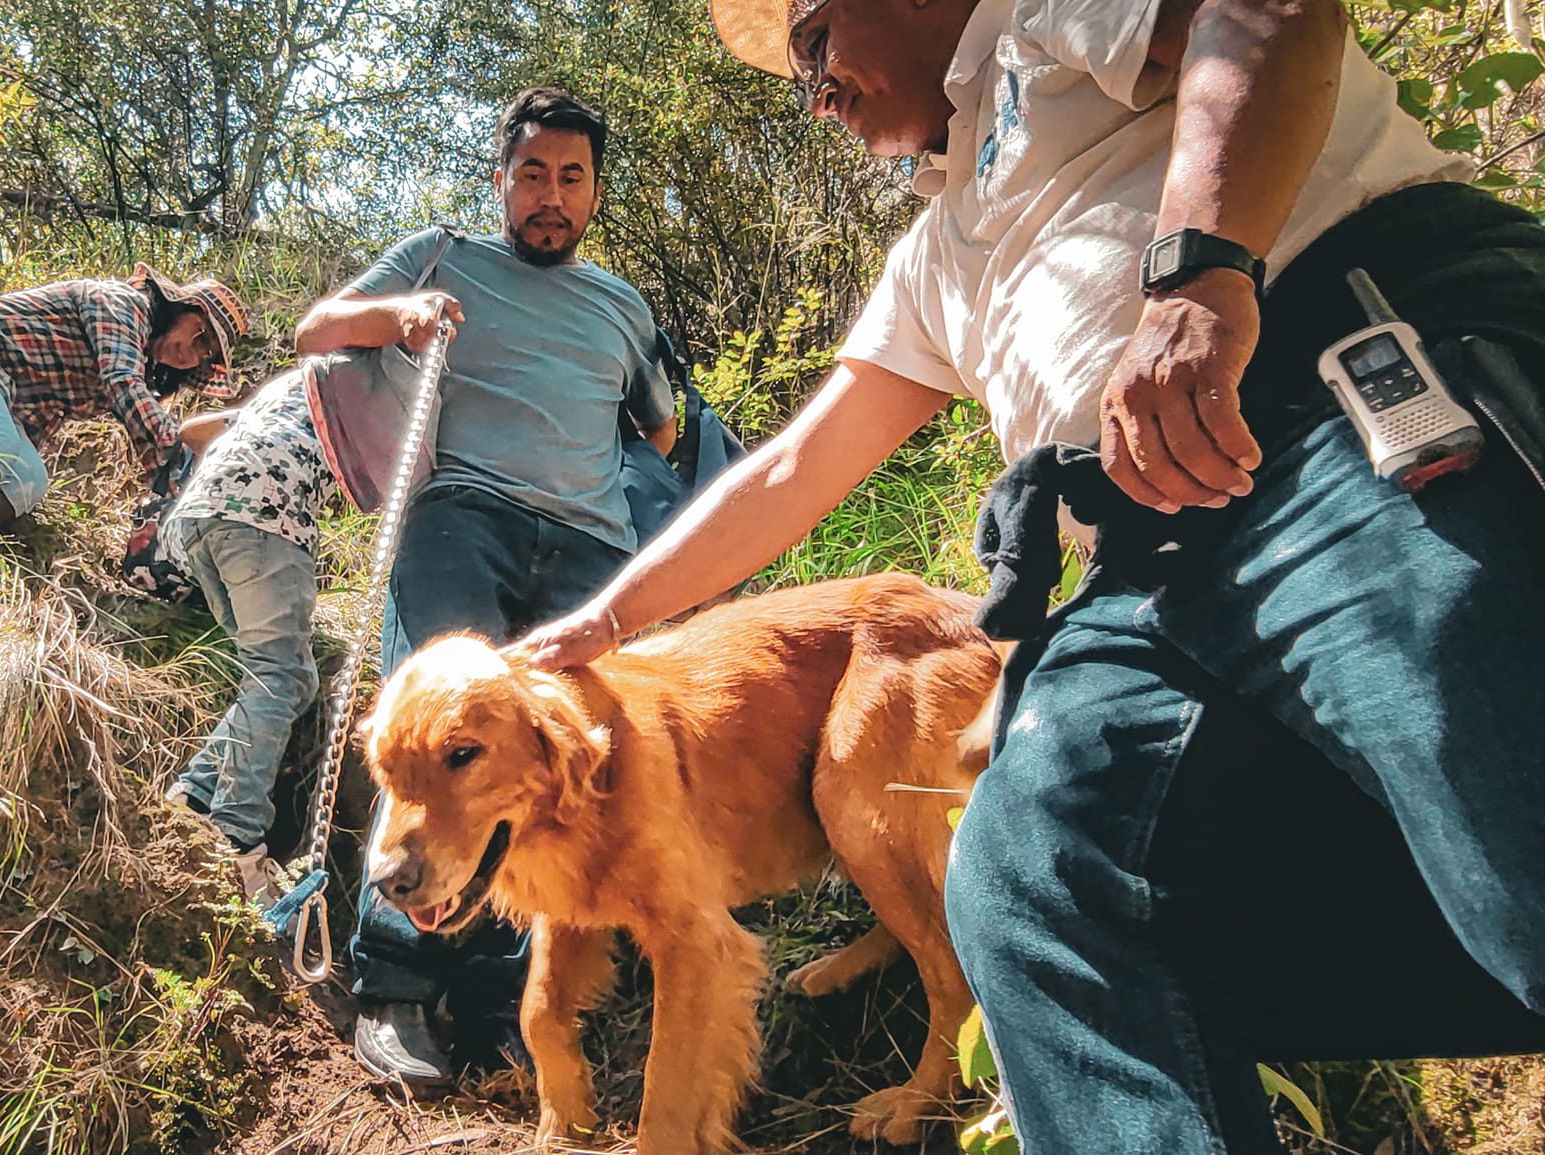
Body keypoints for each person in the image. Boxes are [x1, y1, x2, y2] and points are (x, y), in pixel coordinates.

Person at [521, 0, 1545, 1151]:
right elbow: (794, 468)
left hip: (1339, 396)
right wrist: (605, 618)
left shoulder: (1034, 21)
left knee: (1489, 779)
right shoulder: (934, 250)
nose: (811, 92)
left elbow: (1265, 15)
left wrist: (1199, 274)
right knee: (1033, 881)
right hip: (1149, 560)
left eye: (811, 46)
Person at [292, 87, 677, 1087]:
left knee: (548, 774)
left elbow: (662, 429)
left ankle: (512, 1010)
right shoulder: (443, 255)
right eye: (533, 173)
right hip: (461, 515)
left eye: (572, 176)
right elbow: (316, 330)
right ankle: (396, 990)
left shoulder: (623, 307)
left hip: (593, 548)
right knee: (429, 740)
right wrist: (400, 314)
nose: (552, 195)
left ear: (594, 191)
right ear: (500, 179)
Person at [0, 267, 249, 530]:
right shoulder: (124, 304)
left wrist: (176, 490)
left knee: (26, 480)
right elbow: (121, 381)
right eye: (200, 336)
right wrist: (178, 453)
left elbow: (44, 419)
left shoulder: (131, 365)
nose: (194, 354)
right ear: (179, 308)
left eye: (207, 356)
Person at [159, 369, 329, 905]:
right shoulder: (380, 379)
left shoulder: (292, 388)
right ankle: (238, 835)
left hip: (200, 520)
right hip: (265, 519)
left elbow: (192, 430)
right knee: (278, 677)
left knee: (290, 680)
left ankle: (195, 793)